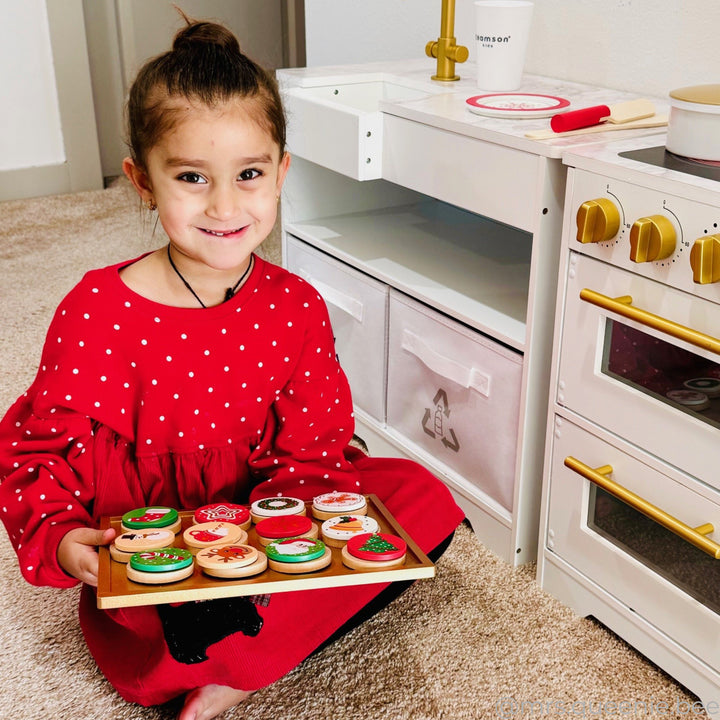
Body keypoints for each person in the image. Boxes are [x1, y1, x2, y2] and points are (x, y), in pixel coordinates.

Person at [0, 15, 464, 720]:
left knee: (419, 501)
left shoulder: (296, 305)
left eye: (249, 174)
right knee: (157, 640)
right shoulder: (97, 307)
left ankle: (242, 662)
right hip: (154, 539)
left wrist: (280, 537)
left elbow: (313, 448)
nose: (224, 205)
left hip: (264, 524)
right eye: (191, 177)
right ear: (142, 182)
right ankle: (235, 646)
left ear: (280, 172)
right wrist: (63, 538)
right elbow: (38, 451)